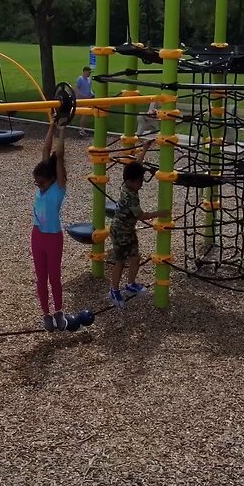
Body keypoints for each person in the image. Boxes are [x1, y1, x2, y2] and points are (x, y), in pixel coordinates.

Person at [107, 146, 170, 309]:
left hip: (128, 230)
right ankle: (114, 290)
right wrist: (160, 213)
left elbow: (137, 165)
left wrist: (145, 149)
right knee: (120, 262)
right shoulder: (129, 196)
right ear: (130, 182)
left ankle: (130, 284)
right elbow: (141, 216)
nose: (141, 184)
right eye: (138, 182)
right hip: (120, 230)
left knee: (135, 258)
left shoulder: (127, 182)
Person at [31, 115, 68, 330]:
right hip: (37, 236)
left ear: (51, 179)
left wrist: (62, 130)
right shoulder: (43, 183)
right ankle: (45, 313)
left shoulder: (58, 187)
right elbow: (45, 152)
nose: (37, 185)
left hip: (53, 238)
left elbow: (58, 156)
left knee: (55, 277)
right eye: (36, 182)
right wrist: (52, 125)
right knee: (41, 278)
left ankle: (59, 311)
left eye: (40, 182)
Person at [74, 67, 94, 136]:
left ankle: (81, 129)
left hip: (87, 100)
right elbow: (76, 89)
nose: (90, 74)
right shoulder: (80, 79)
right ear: (85, 72)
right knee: (82, 114)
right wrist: (82, 95)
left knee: (82, 114)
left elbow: (89, 89)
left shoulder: (89, 80)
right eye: (89, 72)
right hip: (81, 100)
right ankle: (81, 129)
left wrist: (92, 95)